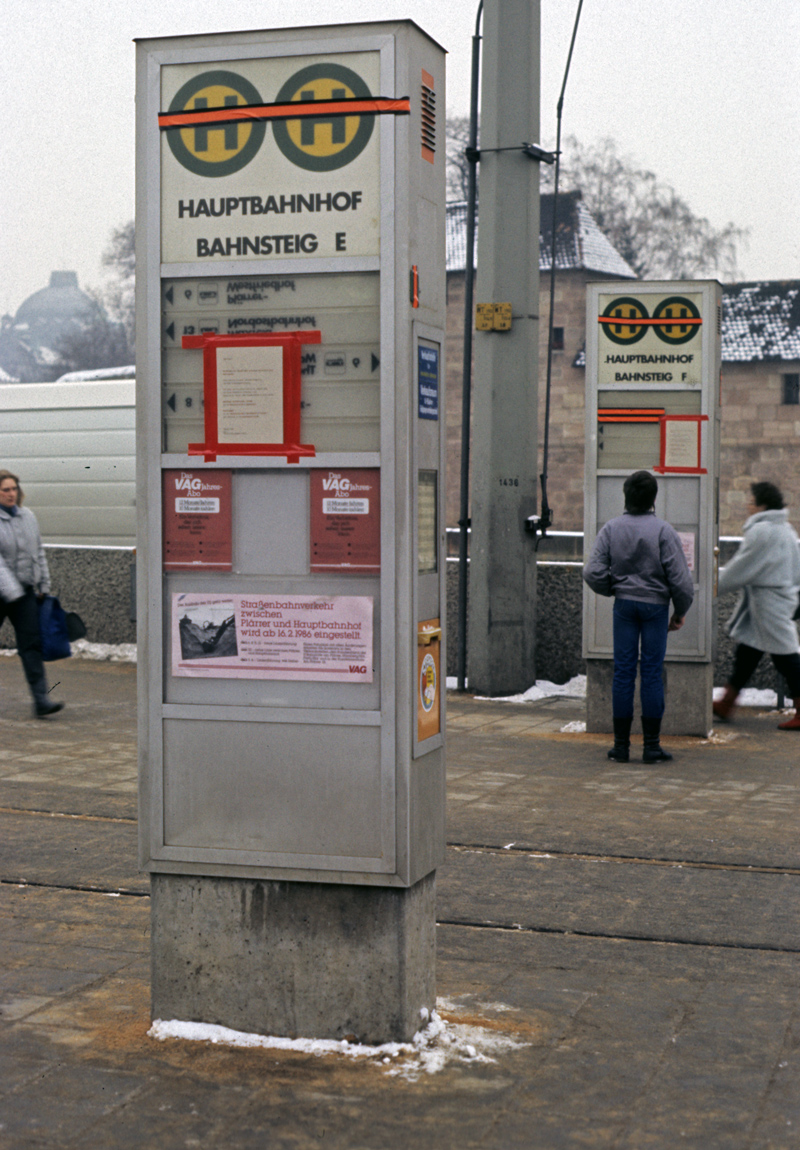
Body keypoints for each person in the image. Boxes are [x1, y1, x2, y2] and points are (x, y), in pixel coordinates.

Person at [583, 470, 694, 763]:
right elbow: (681, 581)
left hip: (624, 606)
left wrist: (614, 588)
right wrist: (679, 611)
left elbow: (592, 572)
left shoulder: (611, 529)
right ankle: (651, 746)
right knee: (651, 672)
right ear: (653, 499)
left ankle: (620, 746)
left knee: (623, 671)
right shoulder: (663, 531)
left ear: (626, 496)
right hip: (656, 608)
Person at [714, 481, 800, 730]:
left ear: (762, 505)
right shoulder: (785, 529)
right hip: (774, 601)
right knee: (747, 654)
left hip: (769, 604)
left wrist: (714, 586)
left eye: (751, 502)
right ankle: (726, 702)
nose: (747, 506)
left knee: (786, 658)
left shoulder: (762, 531)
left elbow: (742, 567)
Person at [0, 470, 64, 718]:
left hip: (24, 593)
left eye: (14, 488)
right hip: (5, 593)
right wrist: (12, 590)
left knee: (31, 646)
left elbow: (38, 552)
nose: (11, 494)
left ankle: (41, 700)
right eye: (5, 489)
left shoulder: (28, 516)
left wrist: (43, 584)